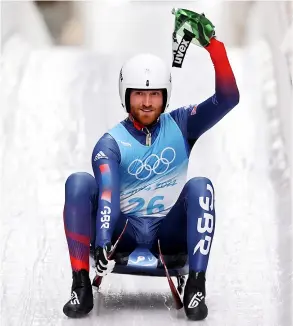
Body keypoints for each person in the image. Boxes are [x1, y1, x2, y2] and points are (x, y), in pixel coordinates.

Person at [62, 34, 239, 320]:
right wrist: (104, 239)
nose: (146, 102)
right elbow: (108, 191)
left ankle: (196, 285)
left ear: (165, 95)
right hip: (123, 233)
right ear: (126, 95)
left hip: (168, 231)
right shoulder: (110, 143)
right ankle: (80, 284)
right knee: (79, 182)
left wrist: (214, 48)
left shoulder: (183, 124)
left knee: (201, 187)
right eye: (139, 94)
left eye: (154, 94)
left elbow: (228, 98)